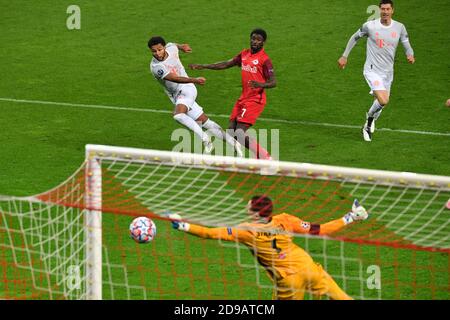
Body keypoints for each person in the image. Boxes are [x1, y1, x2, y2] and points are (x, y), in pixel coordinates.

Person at [168, 195, 369, 300]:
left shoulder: (247, 231)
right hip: (308, 266)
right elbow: (321, 230)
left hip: (288, 280)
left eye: (249, 208)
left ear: (256, 215)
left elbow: (211, 233)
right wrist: (348, 218)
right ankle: (355, 214)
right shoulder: (286, 219)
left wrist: (183, 225)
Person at [190, 28, 276, 159]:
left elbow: (273, 82)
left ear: (264, 42)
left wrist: (260, 84)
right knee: (231, 131)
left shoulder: (264, 60)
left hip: (255, 100)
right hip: (243, 98)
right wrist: (204, 66)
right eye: (253, 38)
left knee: (239, 133)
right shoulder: (244, 54)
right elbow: (226, 64)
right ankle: (251, 155)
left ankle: (265, 157)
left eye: (258, 40)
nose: (255, 42)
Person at [148, 36, 243, 156]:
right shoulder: (156, 67)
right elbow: (174, 78)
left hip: (187, 88)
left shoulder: (171, 48)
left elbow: (174, 45)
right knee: (205, 122)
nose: (157, 53)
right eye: (154, 51)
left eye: (159, 49)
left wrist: (182, 46)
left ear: (164, 47)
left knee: (178, 115)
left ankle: (205, 139)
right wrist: (195, 79)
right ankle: (234, 143)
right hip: (177, 95)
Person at [338, 0, 415, 142]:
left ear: (392, 10)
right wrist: (344, 56)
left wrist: (410, 54)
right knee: (383, 100)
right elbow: (355, 37)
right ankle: (367, 124)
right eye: (383, 9)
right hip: (372, 70)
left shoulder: (399, 27)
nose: (385, 12)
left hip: (388, 72)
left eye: (388, 9)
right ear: (379, 10)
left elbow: (406, 43)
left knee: (380, 102)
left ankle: (370, 118)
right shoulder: (370, 26)